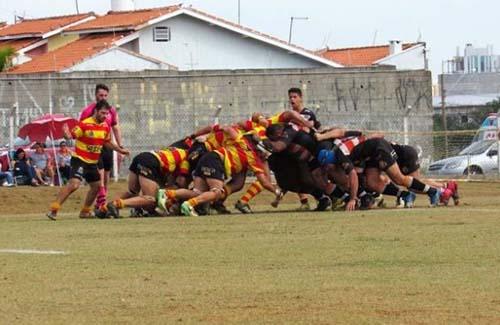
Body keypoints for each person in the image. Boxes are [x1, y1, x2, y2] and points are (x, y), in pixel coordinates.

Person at [46, 100, 129, 220]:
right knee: (74, 185)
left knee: (96, 187)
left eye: (107, 114)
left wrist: (120, 150)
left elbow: (107, 142)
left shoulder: (105, 126)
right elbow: (70, 136)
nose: (105, 116)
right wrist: (66, 134)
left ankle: (85, 212)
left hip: (92, 162)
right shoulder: (84, 124)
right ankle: (53, 210)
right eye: (103, 113)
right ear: (96, 111)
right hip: (79, 159)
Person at [103, 147, 190, 218]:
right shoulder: (186, 158)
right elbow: (180, 182)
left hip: (141, 157)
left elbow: (166, 180)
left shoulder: (176, 151)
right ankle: (116, 204)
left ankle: (104, 209)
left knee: (132, 192)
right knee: (150, 199)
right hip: (150, 162)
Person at [79, 84, 123, 210]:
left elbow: (115, 127)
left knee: (107, 173)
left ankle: (101, 203)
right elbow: (80, 129)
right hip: (94, 146)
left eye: (105, 95)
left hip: (107, 145)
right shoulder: (87, 111)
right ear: (96, 95)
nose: (103, 97)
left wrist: (120, 146)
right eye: (100, 95)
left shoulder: (111, 111)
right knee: (100, 173)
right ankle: (101, 199)